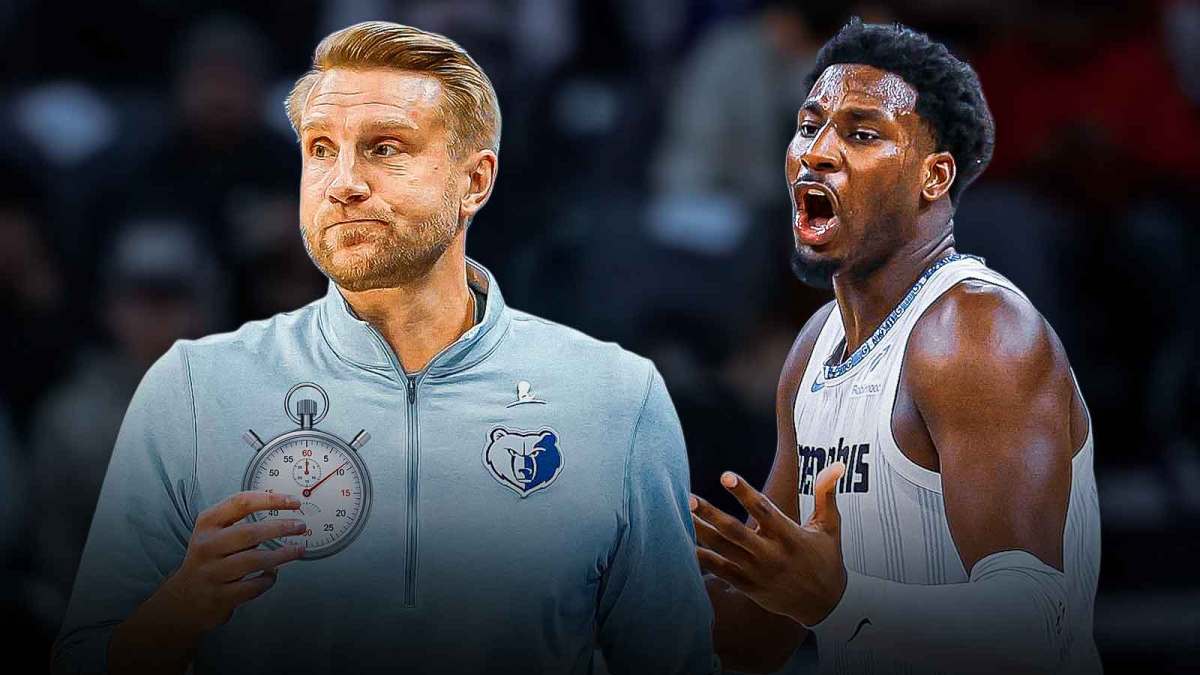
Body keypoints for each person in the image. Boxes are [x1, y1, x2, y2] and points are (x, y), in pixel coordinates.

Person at [52, 21, 715, 675]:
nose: (342, 182)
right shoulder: (193, 385)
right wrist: (178, 610)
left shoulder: (615, 397)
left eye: (385, 147)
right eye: (319, 149)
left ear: (474, 182)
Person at [689, 19, 1101, 674]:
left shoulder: (977, 333)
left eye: (860, 132)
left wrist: (839, 598)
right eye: (809, 124)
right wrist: (623, 581)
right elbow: (758, 632)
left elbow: (1034, 621)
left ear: (934, 177)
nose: (817, 152)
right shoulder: (814, 350)